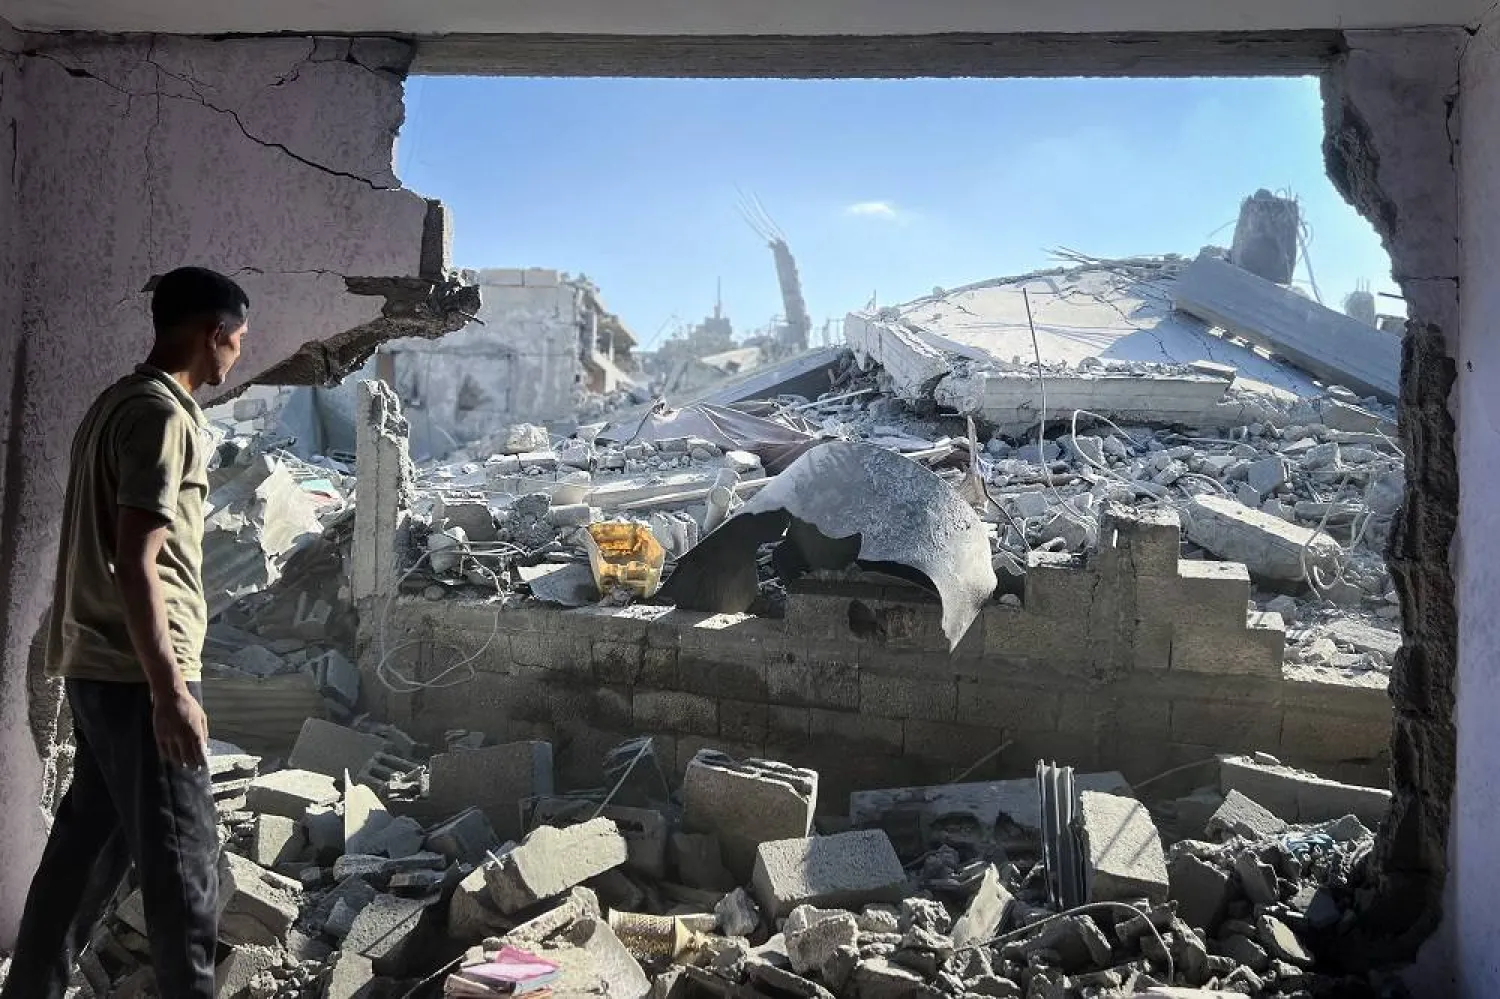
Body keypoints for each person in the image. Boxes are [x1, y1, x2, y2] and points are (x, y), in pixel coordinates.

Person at [2, 267, 249, 999]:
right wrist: (170, 692)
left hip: (97, 667)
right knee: (186, 872)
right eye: (238, 339)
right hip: (140, 673)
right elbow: (136, 558)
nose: (237, 353)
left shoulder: (113, 404)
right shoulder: (164, 416)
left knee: (84, 855)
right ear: (214, 333)